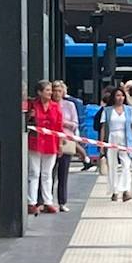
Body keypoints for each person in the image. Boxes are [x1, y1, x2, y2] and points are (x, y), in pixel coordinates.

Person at [25, 80, 63, 216]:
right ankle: (31, 202)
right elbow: (26, 121)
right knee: (34, 172)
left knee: (47, 173)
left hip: (51, 142)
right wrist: (30, 116)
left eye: (50, 90)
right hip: (35, 142)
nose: (50, 93)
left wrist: (59, 145)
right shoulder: (32, 105)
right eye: (47, 90)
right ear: (39, 92)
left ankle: (48, 202)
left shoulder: (55, 106)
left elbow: (59, 126)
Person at [99, 85, 132, 202]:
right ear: (113, 97)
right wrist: (102, 144)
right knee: (112, 165)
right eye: (118, 95)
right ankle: (114, 191)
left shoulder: (129, 110)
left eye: (122, 95)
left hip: (125, 138)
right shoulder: (107, 111)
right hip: (111, 137)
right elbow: (103, 127)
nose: (120, 98)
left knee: (126, 164)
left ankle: (125, 189)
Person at [50, 81, 79, 213]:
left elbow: (74, 124)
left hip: (66, 140)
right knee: (49, 172)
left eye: (59, 90)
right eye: (54, 90)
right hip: (51, 140)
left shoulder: (69, 105)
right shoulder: (49, 105)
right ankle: (47, 200)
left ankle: (62, 201)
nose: (56, 93)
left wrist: (61, 122)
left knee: (63, 172)